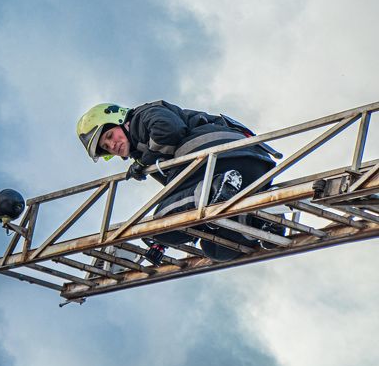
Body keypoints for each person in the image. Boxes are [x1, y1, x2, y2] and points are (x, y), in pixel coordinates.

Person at [76, 100, 280, 261]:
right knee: (217, 249)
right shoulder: (147, 155)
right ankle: (262, 223)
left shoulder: (141, 117)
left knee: (159, 223)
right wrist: (161, 243)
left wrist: (157, 234)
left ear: (120, 120)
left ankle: (212, 190)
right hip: (254, 167)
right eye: (106, 146)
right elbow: (178, 196)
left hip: (220, 157)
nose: (113, 144)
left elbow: (169, 129)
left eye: (110, 135)